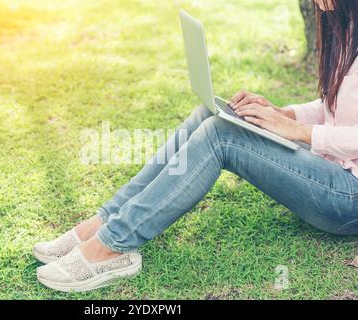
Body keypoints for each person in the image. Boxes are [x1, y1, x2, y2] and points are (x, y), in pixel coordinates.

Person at [34, 0, 358, 292]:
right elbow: (335, 106)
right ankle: (104, 220)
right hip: (329, 166)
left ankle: (111, 246)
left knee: (222, 135)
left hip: (348, 196)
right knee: (211, 112)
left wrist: (299, 131)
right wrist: (282, 114)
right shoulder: (348, 29)